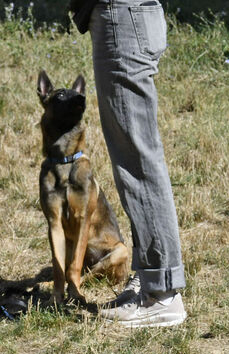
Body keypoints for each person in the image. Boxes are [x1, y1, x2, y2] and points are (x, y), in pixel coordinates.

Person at [71, 0, 188, 327]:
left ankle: (162, 294)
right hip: (128, 17)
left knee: (137, 161)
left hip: (123, 18)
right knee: (135, 157)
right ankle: (152, 279)